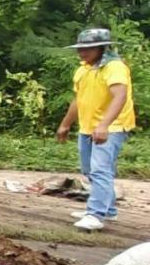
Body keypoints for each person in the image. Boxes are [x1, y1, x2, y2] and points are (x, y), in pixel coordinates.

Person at [56, 27, 136, 232]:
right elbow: (78, 99)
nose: (82, 53)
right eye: (80, 49)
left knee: (101, 169)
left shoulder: (114, 67)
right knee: (89, 169)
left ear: (102, 48)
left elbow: (120, 96)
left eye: (88, 49)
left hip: (112, 126)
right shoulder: (83, 69)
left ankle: (95, 213)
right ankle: (107, 209)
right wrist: (65, 124)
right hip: (88, 126)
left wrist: (104, 125)